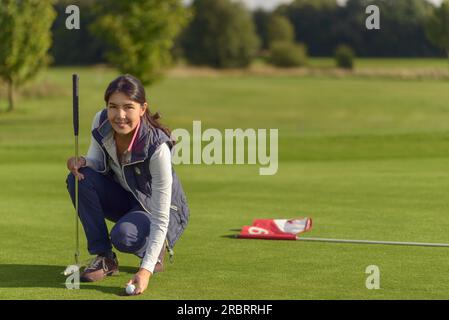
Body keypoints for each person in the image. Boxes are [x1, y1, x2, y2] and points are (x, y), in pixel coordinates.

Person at [66, 74, 189, 295]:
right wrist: (83, 161)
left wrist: (145, 271)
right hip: (124, 197)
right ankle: (104, 258)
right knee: (79, 178)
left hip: (155, 209)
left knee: (124, 236)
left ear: (142, 109)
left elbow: (161, 215)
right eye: (113, 107)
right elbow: (98, 163)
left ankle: (155, 249)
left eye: (128, 107)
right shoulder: (101, 121)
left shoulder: (157, 147)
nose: (120, 115)